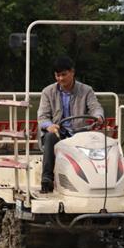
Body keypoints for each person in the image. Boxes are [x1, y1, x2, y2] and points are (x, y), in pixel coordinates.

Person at [37, 56, 104, 193]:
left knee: (99, 141)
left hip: (79, 133)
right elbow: (42, 116)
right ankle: (47, 179)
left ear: (72, 72)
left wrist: (98, 116)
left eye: (63, 74)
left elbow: (95, 107)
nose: (60, 79)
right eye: (57, 75)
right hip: (57, 133)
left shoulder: (86, 90)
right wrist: (49, 125)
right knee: (49, 137)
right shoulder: (47, 92)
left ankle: (99, 180)